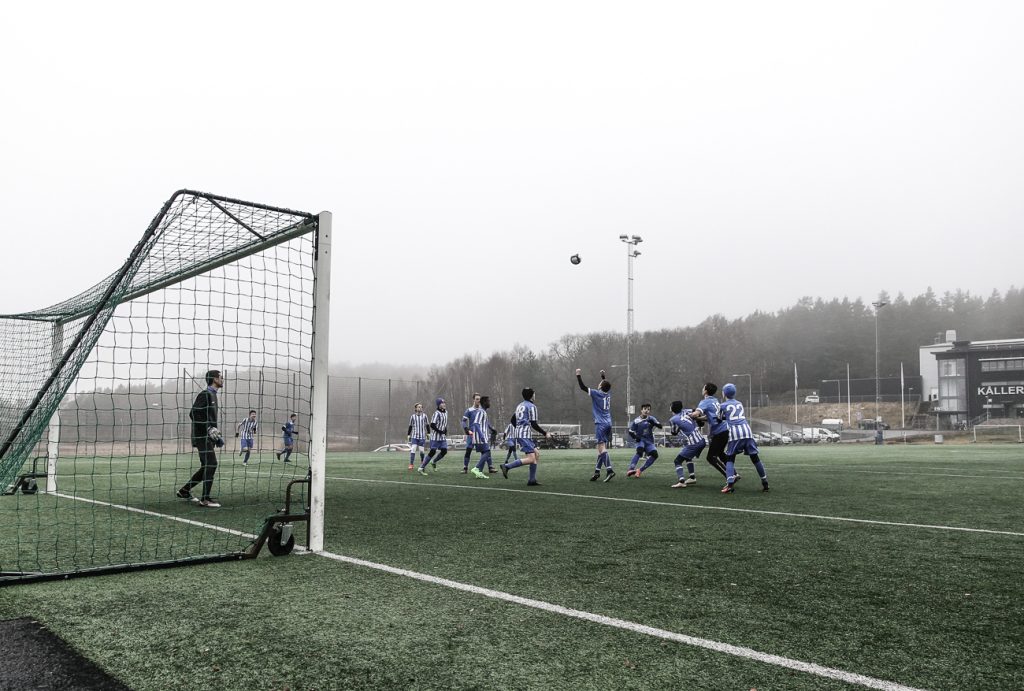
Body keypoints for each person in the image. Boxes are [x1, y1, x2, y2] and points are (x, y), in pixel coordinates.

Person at [177, 369, 225, 508]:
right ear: (215, 379)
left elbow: (207, 418)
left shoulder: (213, 395)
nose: (222, 379)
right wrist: (208, 429)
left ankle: (184, 491)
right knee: (212, 464)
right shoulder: (205, 394)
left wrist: (216, 437)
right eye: (221, 377)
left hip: (207, 437)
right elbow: (193, 413)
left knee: (206, 466)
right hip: (201, 436)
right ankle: (205, 500)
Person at [718, 383, 769, 493]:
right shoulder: (739, 403)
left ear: (724, 393)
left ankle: (730, 485)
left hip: (735, 433)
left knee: (730, 459)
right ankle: (765, 483)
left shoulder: (722, 405)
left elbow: (720, 418)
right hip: (747, 431)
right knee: (755, 458)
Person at [500, 387, 551, 486]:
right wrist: (545, 433)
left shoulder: (520, 405)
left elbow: (512, 420)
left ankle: (532, 480)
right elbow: (534, 424)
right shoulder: (532, 406)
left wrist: (519, 428)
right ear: (532, 396)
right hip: (524, 435)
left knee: (536, 454)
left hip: (521, 434)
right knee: (531, 458)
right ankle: (506, 466)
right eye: (534, 394)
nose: (535, 395)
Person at [576, 368, 615, 482]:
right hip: (608, 423)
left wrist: (578, 375)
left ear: (600, 386)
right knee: (601, 449)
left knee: (601, 448)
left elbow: (582, 387)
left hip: (600, 424)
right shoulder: (608, 394)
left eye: (600, 383)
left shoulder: (596, 393)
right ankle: (597, 472)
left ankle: (610, 470)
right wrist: (603, 376)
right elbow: (606, 385)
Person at [667, 401, 706, 488]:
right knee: (688, 457)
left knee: (677, 461)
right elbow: (696, 411)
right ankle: (692, 477)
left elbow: (674, 432)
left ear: (672, 408)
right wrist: (700, 422)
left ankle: (681, 481)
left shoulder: (673, 419)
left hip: (694, 443)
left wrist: (679, 427)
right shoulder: (687, 411)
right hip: (701, 440)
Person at [696, 383, 729, 479]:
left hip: (719, 432)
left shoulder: (705, 402)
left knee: (710, 457)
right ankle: (734, 473)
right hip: (725, 430)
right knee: (720, 453)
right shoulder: (715, 401)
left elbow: (696, 413)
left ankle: (730, 476)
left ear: (705, 391)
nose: (702, 389)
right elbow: (711, 417)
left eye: (703, 387)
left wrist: (689, 415)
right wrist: (699, 419)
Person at [626, 403, 662, 478]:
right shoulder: (636, 420)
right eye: (645, 409)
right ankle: (630, 469)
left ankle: (640, 470)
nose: (646, 411)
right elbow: (630, 431)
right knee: (639, 452)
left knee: (655, 455)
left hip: (649, 441)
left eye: (648, 409)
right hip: (641, 440)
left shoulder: (651, 418)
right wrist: (635, 437)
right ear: (641, 410)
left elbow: (660, 426)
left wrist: (654, 423)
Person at [468, 395, 498, 478]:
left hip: (481, 436)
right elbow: (476, 424)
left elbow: (485, 423)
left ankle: (479, 473)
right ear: (484, 402)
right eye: (488, 401)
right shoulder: (481, 411)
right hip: (480, 437)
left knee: (484, 453)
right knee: (487, 452)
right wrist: (481, 435)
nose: (490, 403)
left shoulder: (483, 412)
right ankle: (476, 468)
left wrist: (492, 429)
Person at [418, 398, 449, 475]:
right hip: (435, 437)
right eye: (442, 403)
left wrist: (445, 430)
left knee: (444, 451)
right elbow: (432, 425)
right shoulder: (436, 413)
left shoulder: (446, 412)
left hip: (442, 437)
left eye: (444, 402)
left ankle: (434, 462)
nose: (444, 404)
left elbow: (444, 423)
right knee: (432, 452)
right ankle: (421, 468)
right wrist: (440, 431)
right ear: (438, 405)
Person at [461, 393, 481, 474]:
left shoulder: (482, 410)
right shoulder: (469, 410)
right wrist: (467, 430)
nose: (478, 401)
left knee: (485, 451)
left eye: (479, 399)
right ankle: (465, 467)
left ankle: (490, 467)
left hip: (480, 434)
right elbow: (463, 421)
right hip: (472, 434)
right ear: (473, 400)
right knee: (468, 450)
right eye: (477, 399)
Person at [407, 403, 429, 470]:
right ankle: (411, 464)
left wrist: (428, 433)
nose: (420, 408)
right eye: (419, 407)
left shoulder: (425, 416)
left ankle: (422, 463)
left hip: (422, 437)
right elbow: (410, 426)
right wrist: (408, 434)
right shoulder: (412, 416)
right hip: (414, 436)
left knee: (421, 451)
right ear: (416, 408)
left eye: (421, 407)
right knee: (413, 449)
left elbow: (427, 425)